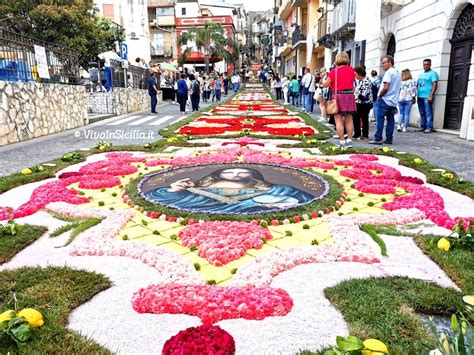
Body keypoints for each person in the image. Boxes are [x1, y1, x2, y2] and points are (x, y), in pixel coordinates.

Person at [144, 168, 315, 214]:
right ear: (218, 174)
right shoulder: (195, 187)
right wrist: (174, 189)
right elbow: (157, 196)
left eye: (242, 172)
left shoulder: (276, 189)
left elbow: (297, 196)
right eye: (229, 171)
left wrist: (286, 202)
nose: (235, 174)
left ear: (253, 175)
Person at [321, 52, 356, 148]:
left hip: (337, 96)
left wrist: (324, 79)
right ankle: (349, 140)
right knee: (349, 119)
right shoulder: (351, 70)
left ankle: (342, 141)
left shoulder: (334, 72)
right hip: (349, 95)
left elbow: (325, 84)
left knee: (339, 120)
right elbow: (353, 82)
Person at [369, 55, 402, 145]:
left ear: (390, 62)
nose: (382, 65)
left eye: (384, 63)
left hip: (385, 99)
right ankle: (389, 139)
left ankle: (378, 138)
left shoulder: (389, 73)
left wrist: (380, 96)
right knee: (390, 120)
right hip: (393, 101)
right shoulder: (398, 73)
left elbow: (386, 87)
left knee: (380, 119)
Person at [416, 58, 439, 133]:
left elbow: (435, 85)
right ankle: (423, 126)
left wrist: (431, 95)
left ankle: (429, 127)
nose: (425, 66)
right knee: (422, 112)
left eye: (427, 64)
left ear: (430, 65)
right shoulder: (420, 74)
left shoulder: (433, 73)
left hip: (427, 96)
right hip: (420, 96)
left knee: (428, 112)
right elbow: (418, 85)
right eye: (424, 65)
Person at [353, 66, 373, 140]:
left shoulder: (366, 81)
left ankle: (365, 135)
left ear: (359, 73)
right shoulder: (361, 81)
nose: (354, 76)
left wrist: (355, 96)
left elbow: (363, 94)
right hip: (359, 102)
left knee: (364, 118)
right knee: (356, 118)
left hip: (365, 103)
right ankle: (357, 133)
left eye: (355, 74)